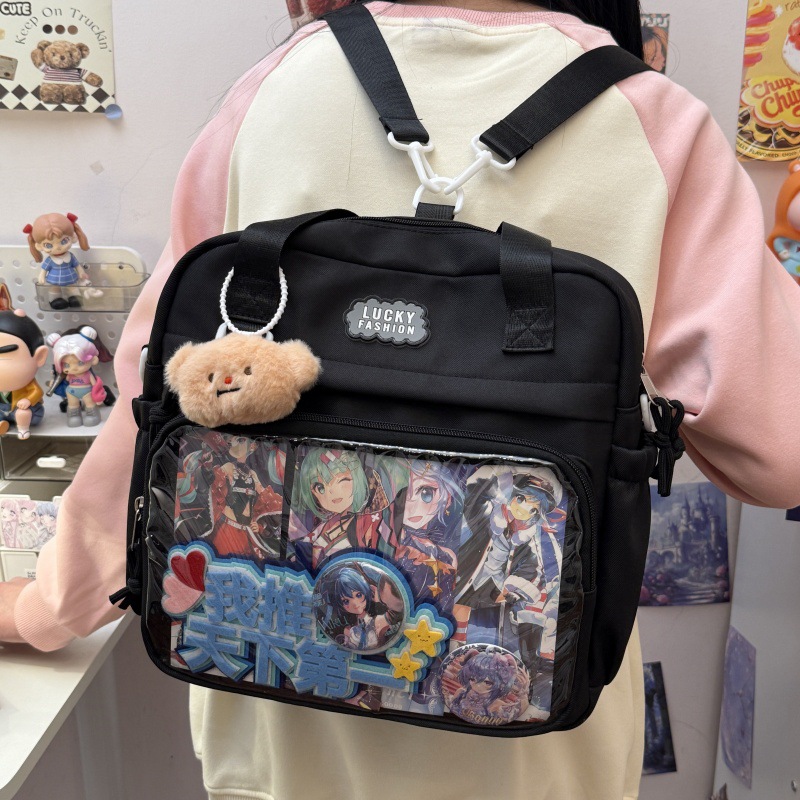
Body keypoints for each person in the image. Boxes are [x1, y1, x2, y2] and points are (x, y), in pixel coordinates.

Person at [1, 1, 799, 799]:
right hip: (533, 756)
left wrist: (45, 609)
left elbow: (157, 401)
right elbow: (781, 455)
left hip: (276, 727)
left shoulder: (279, 87)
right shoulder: (655, 122)